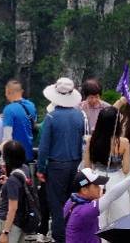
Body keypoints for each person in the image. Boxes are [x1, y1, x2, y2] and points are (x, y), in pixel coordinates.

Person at [37, 77, 84, 243]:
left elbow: (44, 148)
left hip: (56, 167)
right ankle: (73, 235)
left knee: (57, 204)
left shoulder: (51, 117)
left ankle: (60, 237)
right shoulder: (80, 116)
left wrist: (41, 169)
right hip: (76, 165)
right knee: (73, 201)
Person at [63, 165, 130, 243]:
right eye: (96, 186)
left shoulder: (71, 201)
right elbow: (111, 196)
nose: (100, 188)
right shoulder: (83, 212)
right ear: (84, 190)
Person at [83, 106, 130, 230]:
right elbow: (126, 169)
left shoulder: (91, 140)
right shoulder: (124, 142)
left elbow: (87, 166)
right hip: (117, 180)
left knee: (99, 218)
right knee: (120, 218)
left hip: (97, 180)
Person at [0, 140, 29, 243]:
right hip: (21, 221)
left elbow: (12, 208)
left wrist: (5, 232)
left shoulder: (13, 180)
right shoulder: (24, 169)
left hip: (8, 222)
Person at [1, 80, 37, 162]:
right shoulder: (31, 106)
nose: (5, 95)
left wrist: (3, 160)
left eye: (6, 93)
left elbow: (7, 137)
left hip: (14, 156)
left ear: (9, 92)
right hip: (29, 153)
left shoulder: (9, 109)